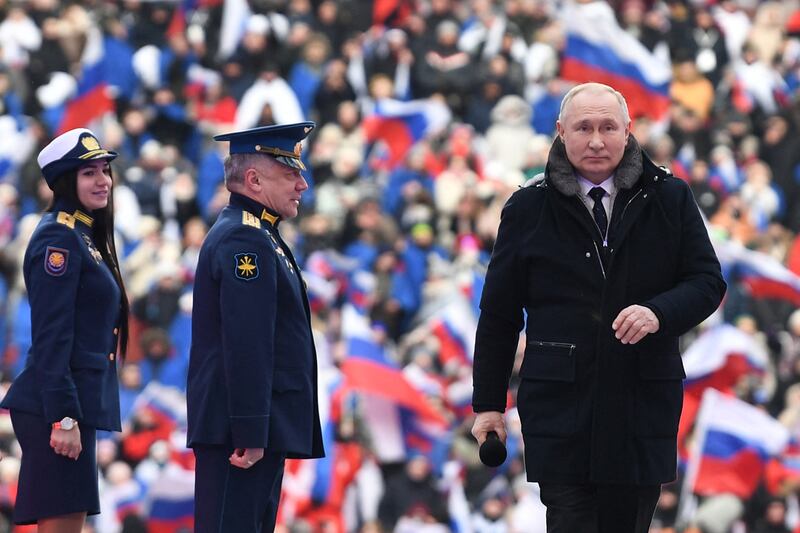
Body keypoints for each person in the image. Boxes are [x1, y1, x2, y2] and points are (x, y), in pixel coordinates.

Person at [470, 83, 727, 533]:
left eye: (608, 127)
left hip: (640, 407)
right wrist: (489, 404)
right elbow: (499, 314)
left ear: (628, 131)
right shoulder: (527, 207)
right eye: (583, 127)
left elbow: (707, 282)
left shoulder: (670, 197)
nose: (595, 140)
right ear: (560, 131)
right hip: (561, 410)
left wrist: (658, 313)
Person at [187, 121, 324, 532]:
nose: (302, 185)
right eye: (290, 173)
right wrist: (251, 428)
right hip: (241, 433)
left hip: (255, 428)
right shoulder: (243, 240)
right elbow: (247, 342)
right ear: (254, 179)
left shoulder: (261, 234)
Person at [0, 128, 129, 532]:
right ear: (64, 181)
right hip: (56, 407)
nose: (103, 180)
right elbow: (52, 336)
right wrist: (65, 418)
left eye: (105, 170)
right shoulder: (60, 236)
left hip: (70, 403)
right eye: (89, 172)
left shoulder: (81, 233)